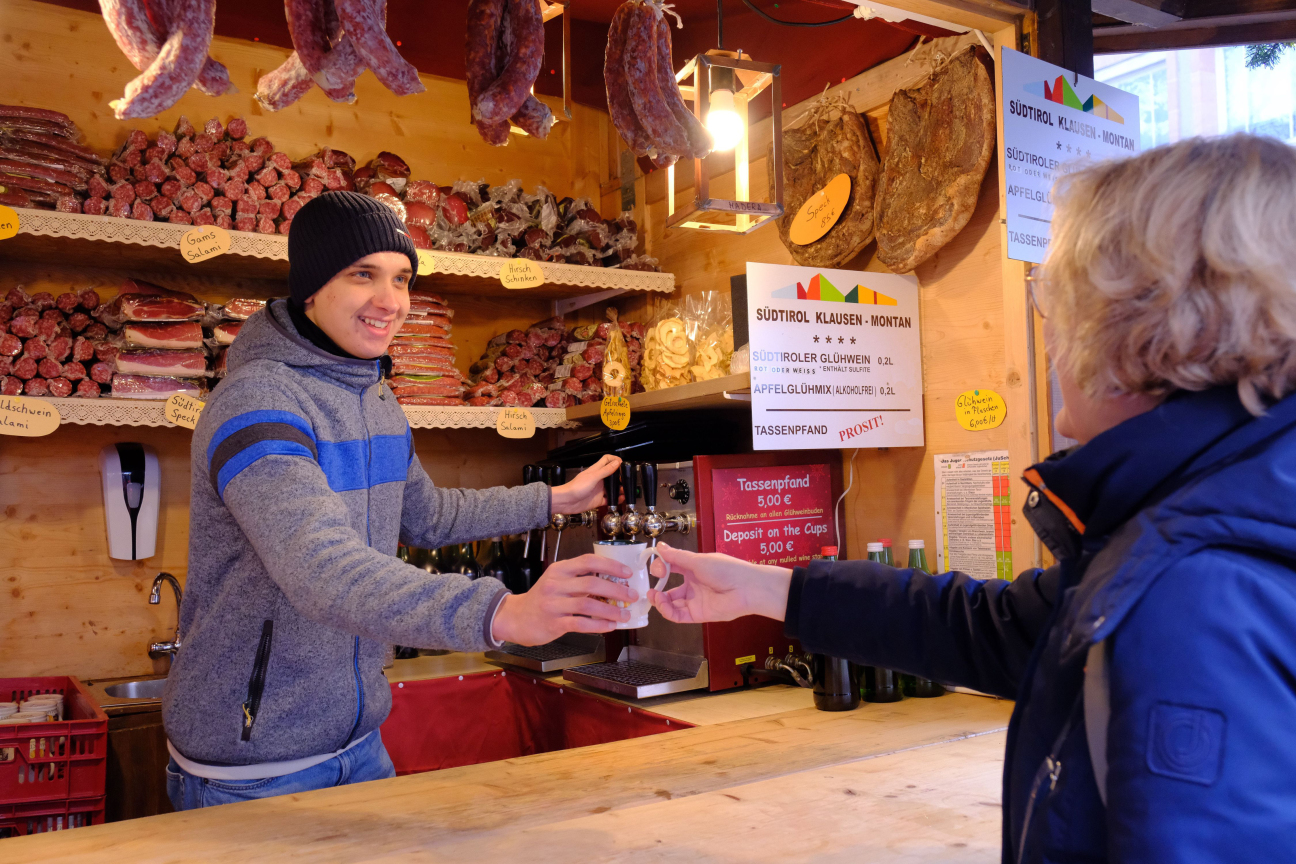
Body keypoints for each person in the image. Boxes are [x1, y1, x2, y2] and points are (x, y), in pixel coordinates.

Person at [649, 134, 1296, 862]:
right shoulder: (1214, 507)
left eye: (1062, 305)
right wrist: (763, 587)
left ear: (1135, 332)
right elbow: (999, 630)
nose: (1051, 339)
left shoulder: (1199, 589)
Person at [163, 192, 636, 809]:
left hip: (359, 744)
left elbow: (426, 515)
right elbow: (321, 572)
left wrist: (551, 499)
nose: (391, 302)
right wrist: (502, 612)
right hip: (254, 765)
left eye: (402, 278)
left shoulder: (374, 397)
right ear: (311, 286)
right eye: (364, 274)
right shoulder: (258, 403)